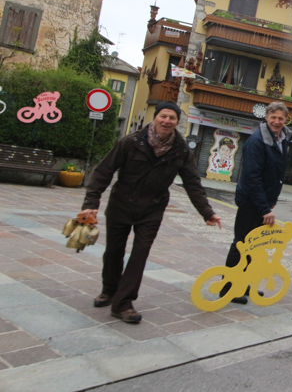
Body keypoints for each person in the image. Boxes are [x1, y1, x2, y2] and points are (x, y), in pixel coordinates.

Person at [80, 101, 222, 323]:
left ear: (177, 122)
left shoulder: (181, 149)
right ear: (155, 118)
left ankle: (123, 303)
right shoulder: (131, 141)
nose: (167, 121)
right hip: (121, 204)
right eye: (163, 116)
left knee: (140, 253)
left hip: (152, 209)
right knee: (114, 252)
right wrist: (91, 202)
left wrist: (207, 212)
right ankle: (110, 290)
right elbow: (103, 172)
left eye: (172, 118)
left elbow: (192, 182)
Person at [220, 101, 292, 304]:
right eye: (273, 118)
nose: (277, 122)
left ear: (286, 119)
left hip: (264, 201)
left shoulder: (282, 139)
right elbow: (252, 177)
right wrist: (264, 207)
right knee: (242, 244)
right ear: (266, 118)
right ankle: (228, 288)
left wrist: (271, 201)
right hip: (250, 201)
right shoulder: (257, 141)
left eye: (281, 118)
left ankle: (244, 284)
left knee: (255, 247)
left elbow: (275, 173)